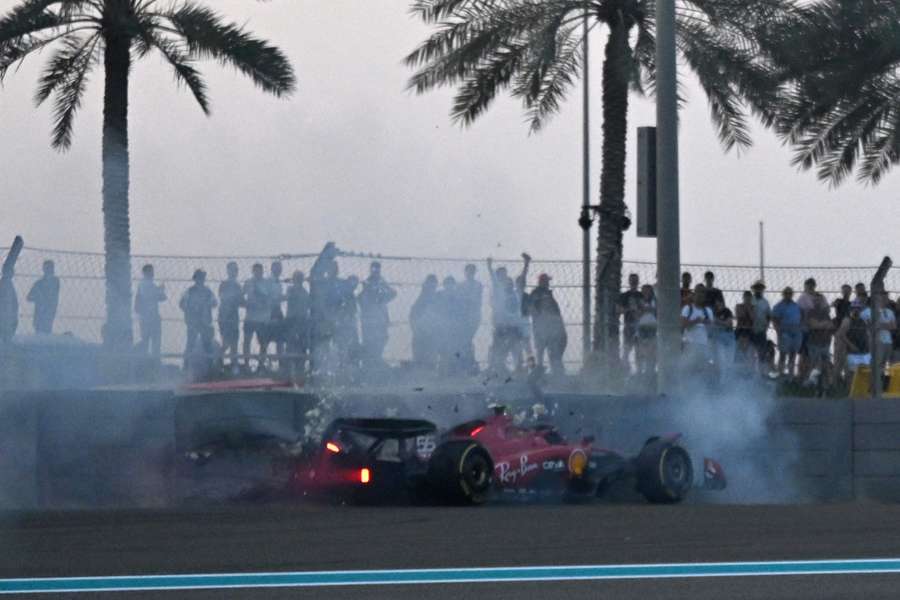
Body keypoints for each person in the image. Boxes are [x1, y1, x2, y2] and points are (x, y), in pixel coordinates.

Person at [523, 272, 567, 376]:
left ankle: (552, 373)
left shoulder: (544, 293)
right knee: (541, 351)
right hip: (543, 327)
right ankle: (541, 373)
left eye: (548, 281)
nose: (548, 283)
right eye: (546, 281)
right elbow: (534, 309)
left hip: (549, 327)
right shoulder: (539, 293)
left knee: (548, 351)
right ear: (542, 282)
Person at [357, 261, 397, 370]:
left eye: (378, 269)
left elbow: (393, 294)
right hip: (370, 321)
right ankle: (370, 367)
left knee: (381, 340)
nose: (376, 272)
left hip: (380, 320)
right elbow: (361, 299)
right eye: (375, 269)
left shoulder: (380, 286)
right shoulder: (367, 284)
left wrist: (383, 284)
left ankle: (374, 365)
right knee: (371, 344)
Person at [179, 269, 217, 368]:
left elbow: (215, 302)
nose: (201, 280)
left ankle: (210, 366)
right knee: (190, 344)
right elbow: (182, 304)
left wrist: (206, 305)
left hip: (205, 322)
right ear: (195, 279)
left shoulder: (208, 291)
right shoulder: (190, 291)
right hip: (193, 322)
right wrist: (190, 312)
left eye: (202, 277)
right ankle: (186, 366)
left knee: (207, 345)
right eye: (199, 277)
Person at [242, 263, 271, 369]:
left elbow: (270, 299)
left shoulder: (266, 283)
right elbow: (241, 296)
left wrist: (263, 304)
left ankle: (261, 365)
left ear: (262, 271)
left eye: (260, 270)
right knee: (247, 341)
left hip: (262, 318)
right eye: (256, 270)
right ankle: (246, 365)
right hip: (250, 317)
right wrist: (246, 304)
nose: (258, 272)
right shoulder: (248, 282)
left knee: (263, 342)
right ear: (253, 271)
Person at [134, 264, 166, 357]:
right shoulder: (148, 284)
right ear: (146, 272)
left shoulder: (142, 284)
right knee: (155, 343)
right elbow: (161, 297)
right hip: (151, 317)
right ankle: (153, 364)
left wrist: (158, 290)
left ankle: (146, 362)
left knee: (146, 341)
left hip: (145, 318)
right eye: (151, 271)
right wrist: (161, 289)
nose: (153, 273)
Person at [681, 285, 714, 375]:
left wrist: (706, 323)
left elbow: (711, 330)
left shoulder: (708, 311)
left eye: (703, 292)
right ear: (694, 294)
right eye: (698, 292)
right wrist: (696, 321)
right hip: (689, 345)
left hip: (703, 346)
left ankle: (700, 388)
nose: (700, 295)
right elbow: (684, 325)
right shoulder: (687, 309)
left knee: (702, 373)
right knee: (688, 372)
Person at [457, 264, 483, 373]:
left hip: (473, 316)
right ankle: (468, 364)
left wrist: (467, 301)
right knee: (464, 341)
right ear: (465, 272)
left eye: (472, 271)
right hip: (463, 316)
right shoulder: (461, 285)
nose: (470, 273)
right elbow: (459, 300)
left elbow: (476, 301)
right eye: (468, 271)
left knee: (467, 340)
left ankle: (469, 364)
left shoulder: (478, 285)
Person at [772, 287, 803, 378]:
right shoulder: (778, 306)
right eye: (786, 293)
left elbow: (801, 317)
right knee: (783, 354)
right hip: (784, 332)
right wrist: (779, 332)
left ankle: (790, 375)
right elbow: (775, 320)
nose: (788, 295)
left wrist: (800, 327)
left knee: (793, 354)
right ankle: (780, 374)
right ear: (783, 294)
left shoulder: (796, 305)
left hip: (796, 331)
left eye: (790, 293)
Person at [805, 292, 834, 389]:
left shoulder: (826, 313)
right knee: (814, 364)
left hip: (825, 343)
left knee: (826, 364)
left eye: (819, 300)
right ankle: (812, 383)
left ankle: (828, 384)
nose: (817, 302)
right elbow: (813, 325)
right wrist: (823, 325)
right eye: (815, 300)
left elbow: (831, 325)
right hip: (814, 343)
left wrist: (820, 325)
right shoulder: (810, 312)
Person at [285, 270, 311, 377]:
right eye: (297, 278)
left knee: (302, 345)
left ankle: (300, 368)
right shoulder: (291, 289)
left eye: (300, 278)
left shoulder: (305, 292)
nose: (298, 280)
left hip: (302, 320)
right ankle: (289, 369)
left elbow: (308, 306)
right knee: (291, 344)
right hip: (292, 320)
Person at [410, 275, 439, 370]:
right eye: (430, 285)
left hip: (431, 332)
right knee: (421, 357)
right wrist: (416, 329)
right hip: (421, 332)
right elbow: (413, 315)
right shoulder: (423, 298)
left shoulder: (435, 298)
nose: (432, 288)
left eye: (433, 286)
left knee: (430, 357)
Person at [862, 292, 897, 370]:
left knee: (886, 365)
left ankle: (882, 381)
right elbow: (870, 325)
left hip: (888, 341)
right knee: (876, 363)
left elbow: (894, 326)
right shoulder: (868, 311)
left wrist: (879, 325)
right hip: (876, 341)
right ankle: (874, 380)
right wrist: (886, 325)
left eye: (886, 298)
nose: (886, 300)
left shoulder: (890, 311)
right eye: (883, 298)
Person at [218, 261, 242, 370]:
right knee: (226, 342)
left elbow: (240, 302)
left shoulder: (237, 285)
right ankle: (217, 361)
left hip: (234, 316)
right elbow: (224, 298)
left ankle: (234, 365)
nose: (234, 272)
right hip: (225, 316)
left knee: (234, 342)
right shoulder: (224, 284)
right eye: (232, 269)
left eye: (236, 270)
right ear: (228, 271)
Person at [26, 260, 60, 334]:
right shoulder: (39, 283)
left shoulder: (55, 281)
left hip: (47, 311)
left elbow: (53, 295)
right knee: (41, 330)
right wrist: (39, 298)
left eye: (50, 268)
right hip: (41, 312)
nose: (49, 270)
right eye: (47, 268)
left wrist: (40, 298)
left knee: (45, 330)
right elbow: (29, 297)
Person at [618, 273, 643, 372]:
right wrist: (630, 309)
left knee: (639, 351)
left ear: (638, 282)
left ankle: (639, 372)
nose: (634, 282)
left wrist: (637, 311)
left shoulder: (641, 295)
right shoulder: (624, 295)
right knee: (627, 350)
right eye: (632, 280)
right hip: (629, 326)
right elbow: (619, 310)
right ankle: (625, 371)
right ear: (629, 281)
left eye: (635, 280)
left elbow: (645, 310)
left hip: (640, 326)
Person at [838, 301, 871, 372]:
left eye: (858, 308)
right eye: (854, 308)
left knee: (865, 373)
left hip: (865, 352)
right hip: (853, 352)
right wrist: (851, 345)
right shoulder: (847, 320)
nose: (856, 310)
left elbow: (868, 334)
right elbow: (841, 334)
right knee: (853, 374)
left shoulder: (863, 320)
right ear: (851, 309)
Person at [265, 261, 287, 366]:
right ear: (272, 269)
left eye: (280, 268)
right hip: (271, 311)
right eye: (276, 268)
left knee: (280, 339)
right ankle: (263, 363)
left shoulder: (279, 282)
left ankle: (281, 363)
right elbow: (269, 297)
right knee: (267, 338)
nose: (279, 270)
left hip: (277, 310)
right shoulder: (269, 281)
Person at [750, 280, 772, 374]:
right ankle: (751, 373)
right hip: (751, 330)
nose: (758, 290)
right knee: (750, 353)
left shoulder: (765, 302)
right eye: (757, 288)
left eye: (760, 288)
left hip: (761, 330)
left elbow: (768, 315)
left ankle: (761, 374)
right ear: (754, 289)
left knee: (761, 353)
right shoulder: (750, 300)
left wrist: (766, 326)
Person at [636, 284, 657, 376]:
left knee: (651, 350)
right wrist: (644, 310)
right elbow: (636, 315)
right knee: (641, 350)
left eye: (648, 291)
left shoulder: (655, 301)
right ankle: (640, 371)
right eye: (644, 291)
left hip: (652, 327)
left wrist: (651, 309)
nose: (646, 293)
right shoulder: (639, 302)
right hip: (642, 327)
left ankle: (650, 371)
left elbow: (658, 312)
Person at [712, 296, 735, 375]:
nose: (717, 305)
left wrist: (717, 321)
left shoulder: (727, 311)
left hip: (729, 336)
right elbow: (713, 326)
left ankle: (728, 380)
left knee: (729, 362)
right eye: (716, 303)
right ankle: (722, 381)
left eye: (719, 303)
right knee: (721, 361)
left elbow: (728, 324)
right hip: (719, 338)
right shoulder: (714, 313)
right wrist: (720, 323)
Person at [734, 291, 755, 364]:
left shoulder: (753, 307)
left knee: (749, 351)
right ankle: (737, 364)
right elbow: (740, 316)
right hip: (740, 330)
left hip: (750, 331)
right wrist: (748, 309)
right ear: (743, 298)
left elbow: (753, 318)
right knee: (738, 349)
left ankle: (748, 366)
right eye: (746, 297)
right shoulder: (738, 306)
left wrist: (748, 309)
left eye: (749, 297)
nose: (747, 299)